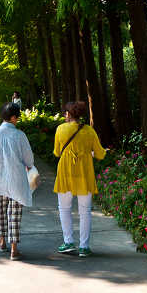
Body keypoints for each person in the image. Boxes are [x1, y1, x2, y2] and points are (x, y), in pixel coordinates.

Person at [53, 100, 107, 258]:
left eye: (65, 113)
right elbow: (100, 154)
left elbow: (57, 152)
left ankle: (68, 242)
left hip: (66, 174)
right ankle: (84, 247)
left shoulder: (60, 129)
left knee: (64, 209)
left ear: (69, 114)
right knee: (85, 211)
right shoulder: (89, 131)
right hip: (84, 174)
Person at [0, 101, 38, 260]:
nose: (18, 120)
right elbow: (29, 160)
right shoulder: (19, 135)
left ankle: (2, 241)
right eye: (17, 117)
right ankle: (14, 249)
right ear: (13, 117)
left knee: (1, 211)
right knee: (14, 214)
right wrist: (29, 166)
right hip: (16, 179)